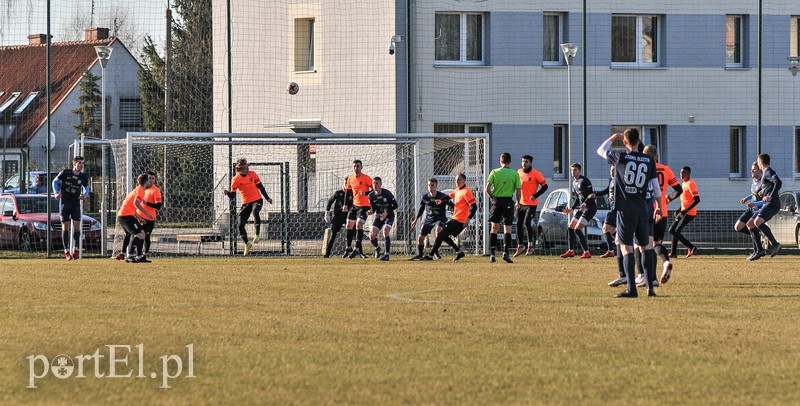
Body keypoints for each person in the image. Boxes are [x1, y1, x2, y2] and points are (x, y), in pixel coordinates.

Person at [598, 128, 661, 298]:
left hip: (625, 209)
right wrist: (660, 207)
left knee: (626, 249)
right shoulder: (648, 160)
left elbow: (600, 150)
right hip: (643, 208)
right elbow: (656, 188)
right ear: (639, 140)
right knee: (646, 247)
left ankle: (632, 289)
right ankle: (650, 288)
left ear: (625, 142)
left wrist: (614, 137)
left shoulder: (621, 157)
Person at [639, 145, 682, 285]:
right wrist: (667, 199)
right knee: (657, 243)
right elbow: (679, 189)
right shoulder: (666, 169)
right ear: (656, 156)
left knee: (641, 245)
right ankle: (666, 262)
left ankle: (644, 276)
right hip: (661, 210)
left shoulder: (643, 168)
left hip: (646, 210)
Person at [223, 158, 273, 256]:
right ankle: (247, 244)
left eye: (247, 167)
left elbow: (260, 187)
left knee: (255, 212)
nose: (247, 169)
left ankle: (257, 235)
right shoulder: (235, 180)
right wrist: (227, 193)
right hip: (246, 203)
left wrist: (267, 198)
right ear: (239, 170)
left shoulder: (252, 174)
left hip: (257, 200)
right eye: (245, 168)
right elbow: (233, 195)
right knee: (240, 225)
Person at [421, 173, 477, 261]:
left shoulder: (466, 191)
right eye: (456, 180)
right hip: (455, 218)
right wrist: (440, 200)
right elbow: (449, 196)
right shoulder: (458, 190)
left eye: (459, 180)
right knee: (443, 235)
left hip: (460, 221)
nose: (457, 182)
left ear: (464, 181)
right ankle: (459, 252)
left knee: (441, 234)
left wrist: (468, 219)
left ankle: (430, 255)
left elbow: (474, 207)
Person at [485, 152, 521, 263]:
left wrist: (491, 197)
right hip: (508, 202)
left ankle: (492, 254)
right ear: (510, 161)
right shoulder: (515, 173)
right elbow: (518, 191)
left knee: (494, 228)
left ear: (501, 161)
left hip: (497, 201)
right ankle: (505, 252)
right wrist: (518, 202)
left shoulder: (495, 172)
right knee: (507, 228)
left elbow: (487, 188)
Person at [53, 156, 90, 261]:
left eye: (83, 163)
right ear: (74, 163)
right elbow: (54, 182)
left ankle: (75, 248)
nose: (81, 165)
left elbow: (86, 188)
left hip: (75, 204)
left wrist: (85, 195)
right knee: (65, 227)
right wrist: (56, 192)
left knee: (77, 226)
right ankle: (66, 251)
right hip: (65, 203)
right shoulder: (65, 172)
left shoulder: (83, 177)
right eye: (79, 163)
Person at [747, 153, 782, 260]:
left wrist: (771, 195)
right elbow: (770, 184)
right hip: (767, 203)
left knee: (757, 222)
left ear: (760, 161)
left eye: (758, 161)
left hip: (773, 204)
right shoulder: (766, 173)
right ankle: (759, 250)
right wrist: (763, 191)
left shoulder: (768, 172)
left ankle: (775, 243)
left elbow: (778, 182)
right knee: (750, 224)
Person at [410, 178, 452, 260]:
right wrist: (415, 220)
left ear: (436, 186)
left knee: (438, 231)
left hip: (440, 218)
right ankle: (420, 255)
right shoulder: (425, 197)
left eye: (432, 185)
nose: (430, 187)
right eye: (429, 185)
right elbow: (421, 209)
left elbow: (452, 205)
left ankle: (435, 252)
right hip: (429, 219)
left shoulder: (442, 196)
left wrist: (456, 213)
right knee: (420, 238)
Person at [560, 163, 596, 259]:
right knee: (571, 227)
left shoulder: (585, 181)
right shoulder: (574, 182)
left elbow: (591, 195)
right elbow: (577, 198)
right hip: (582, 208)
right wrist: (571, 208)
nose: (573, 172)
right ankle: (571, 251)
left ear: (580, 171)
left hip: (590, 208)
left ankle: (586, 252)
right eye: (572, 170)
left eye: (575, 170)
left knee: (577, 229)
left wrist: (584, 204)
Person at [514, 155, 548, 257]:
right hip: (521, 203)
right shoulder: (518, 172)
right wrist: (517, 201)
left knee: (527, 223)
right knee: (518, 223)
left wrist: (535, 195)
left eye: (526, 162)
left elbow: (545, 186)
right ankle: (520, 245)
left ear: (531, 163)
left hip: (531, 204)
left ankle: (530, 246)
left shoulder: (536, 174)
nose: (524, 163)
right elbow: (517, 187)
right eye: (523, 161)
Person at [117, 173, 154, 263]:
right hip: (125, 216)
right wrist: (147, 213)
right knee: (139, 234)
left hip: (128, 215)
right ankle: (130, 255)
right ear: (146, 182)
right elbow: (136, 204)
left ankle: (139, 256)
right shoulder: (141, 190)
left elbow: (131, 207)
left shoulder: (137, 189)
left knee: (142, 234)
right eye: (149, 180)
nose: (151, 182)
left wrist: (139, 218)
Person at [343, 159, 373, 258]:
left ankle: (357, 248)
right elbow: (348, 191)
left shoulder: (366, 178)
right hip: (354, 205)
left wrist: (366, 193)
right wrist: (345, 204)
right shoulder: (350, 178)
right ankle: (348, 247)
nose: (356, 168)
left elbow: (374, 191)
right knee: (348, 225)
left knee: (359, 224)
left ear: (361, 167)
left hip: (364, 205)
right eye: (354, 166)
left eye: (358, 166)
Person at [735, 161, 764, 260]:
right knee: (738, 227)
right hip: (751, 208)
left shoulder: (764, 184)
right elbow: (754, 194)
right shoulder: (754, 181)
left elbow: (765, 201)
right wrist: (747, 198)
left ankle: (758, 251)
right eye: (751, 169)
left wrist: (754, 204)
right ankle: (757, 234)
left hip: (758, 209)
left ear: (760, 171)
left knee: (750, 225)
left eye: (754, 169)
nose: (751, 171)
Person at [669, 166, 700, 259]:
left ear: (688, 174)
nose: (681, 174)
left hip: (689, 213)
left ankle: (691, 247)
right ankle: (673, 253)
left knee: (673, 230)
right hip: (683, 211)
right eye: (680, 172)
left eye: (683, 173)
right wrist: (679, 210)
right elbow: (686, 200)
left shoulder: (691, 184)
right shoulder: (683, 184)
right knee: (674, 230)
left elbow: (697, 200)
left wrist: (684, 211)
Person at [367, 177, 398, 261]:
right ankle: (377, 247)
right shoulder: (371, 195)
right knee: (372, 235)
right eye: (373, 183)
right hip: (379, 216)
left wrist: (386, 213)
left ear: (381, 184)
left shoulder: (387, 193)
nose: (375, 185)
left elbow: (395, 205)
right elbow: (373, 208)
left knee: (386, 230)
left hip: (389, 215)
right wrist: (371, 212)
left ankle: (387, 254)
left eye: (377, 183)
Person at [323, 187, 348, 258]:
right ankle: (327, 253)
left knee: (352, 233)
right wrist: (327, 212)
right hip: (338, 217)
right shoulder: (338, 193)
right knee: (333, 234)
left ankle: (358, 251)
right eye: (345, 183)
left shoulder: (352, 193)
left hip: (348, 216)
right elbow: (330, 201)